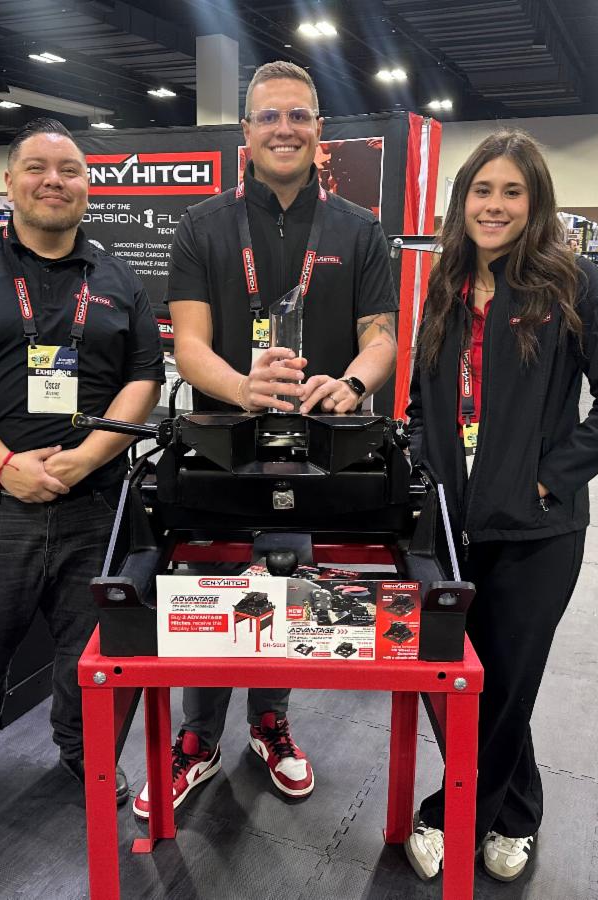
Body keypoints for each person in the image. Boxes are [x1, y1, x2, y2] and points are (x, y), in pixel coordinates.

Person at [133, 60, 399, 819]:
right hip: (222, 446)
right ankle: (198, 738)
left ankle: (270, 723)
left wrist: (352, 385)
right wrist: (241, 387)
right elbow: (189, 345)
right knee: (210, 591)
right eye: (270, 116)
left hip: (322, 451)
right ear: (246, 132)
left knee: (288, 582)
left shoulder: (359, 229)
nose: (285, 129)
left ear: (319, 131)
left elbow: (381, 338)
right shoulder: (202, 226)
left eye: (299, 115)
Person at [0, 118, 164, 843]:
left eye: (70, 169)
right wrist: (3, 463)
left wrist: (90, 456)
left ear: (88, 185)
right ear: (10, 182)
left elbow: (144, 380)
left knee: (88, 652)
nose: (54, 180)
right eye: (38, 168)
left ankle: (83, 754)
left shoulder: (116, 278)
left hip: (94, 506)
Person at [401, 130, 598, 883]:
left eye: (513, 192)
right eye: (482, 191)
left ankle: (455, 815)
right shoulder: (447, 284)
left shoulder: (571, 285)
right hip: (451, 524)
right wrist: (423, 466)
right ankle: (518, 813)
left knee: (506, 684)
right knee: (476, 682)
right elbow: (422, 399)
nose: (495, 205)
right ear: (462, 201)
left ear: (535, 202)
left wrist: (546, 479)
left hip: (537, 532)